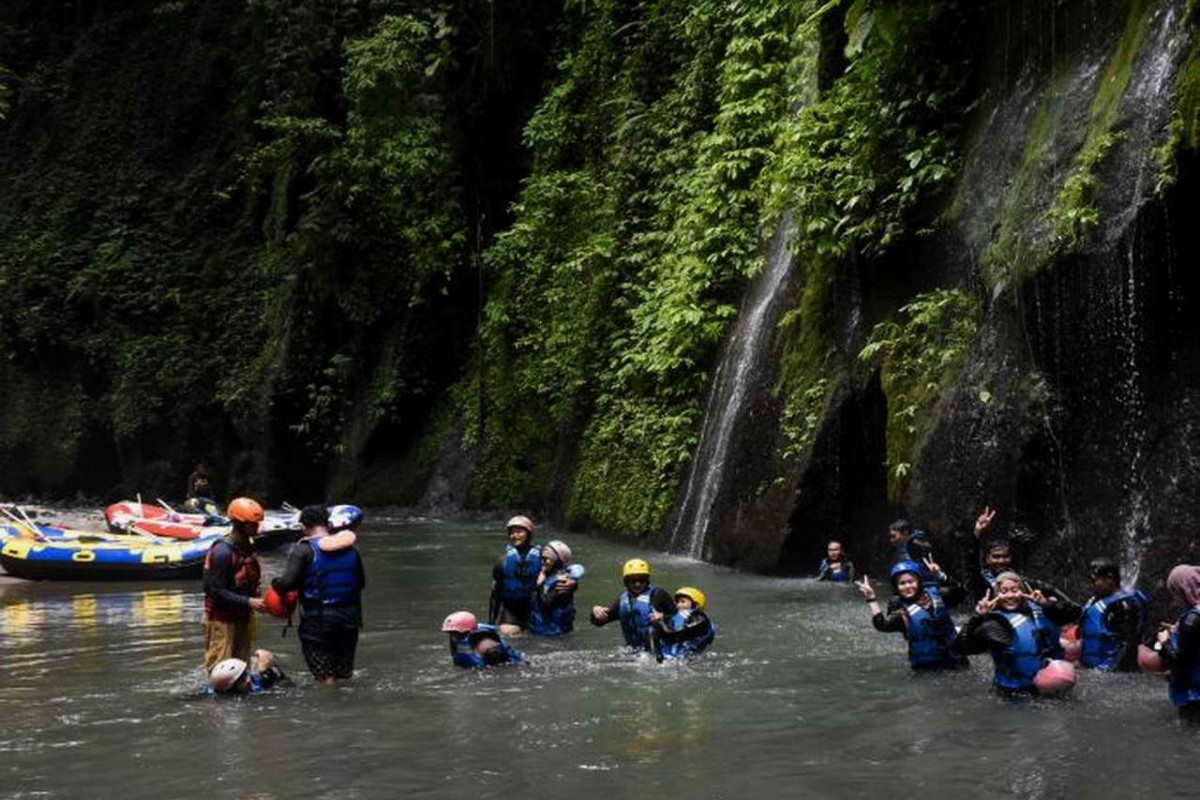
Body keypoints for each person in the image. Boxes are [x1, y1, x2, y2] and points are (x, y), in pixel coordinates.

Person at [270, 504, 366, 685]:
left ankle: (331, 709)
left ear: (304, 527)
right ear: (327, 523)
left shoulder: (303, 550)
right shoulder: (351, 550)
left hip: (319, 620)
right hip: (349, 619)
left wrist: (274, 583)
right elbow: (360, 583)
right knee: (343, 674)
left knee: (324, 676)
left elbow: (287, 583)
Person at [953, 570, 1081, 696]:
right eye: (1004, 592)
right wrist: (978, 617)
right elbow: (960, 648)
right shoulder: (996, 624)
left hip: (1055, 689)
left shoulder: (1045, 612)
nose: (1010, 596)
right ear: (996, 595)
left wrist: (1045, 603)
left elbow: (1076, 613)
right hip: (1016, 695)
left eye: (1015, 590)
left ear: (1023, 591)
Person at [858, 559, 967, 671]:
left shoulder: (936, 595)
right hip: (927, 668)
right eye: (902, 583)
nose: (908, 587)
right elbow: (882, 625)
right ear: (896, 587)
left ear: (919, 581)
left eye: (911, 581)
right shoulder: (902, 611)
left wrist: (940, 575)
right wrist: (871, 599)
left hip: (956, 660)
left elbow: (961, 592)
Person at [202, 496, 266, 671]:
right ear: (238, 524)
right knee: (221, 669)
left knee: (241, 668)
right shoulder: (222, 552)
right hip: (221, 620)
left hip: (242, 616)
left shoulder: (246, 548)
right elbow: (215, 591)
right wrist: (249, 602)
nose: (256, 528)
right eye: (252, 524)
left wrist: (257, 598)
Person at [965, 506, 1072, 604]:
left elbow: (1050, 589)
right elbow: (971, 563)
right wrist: (977, 532)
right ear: (988, 559)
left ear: (1010, 558)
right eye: (996, 557)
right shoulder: (981, 582)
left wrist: (1053, 604)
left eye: (1005, 557)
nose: (1001, 560)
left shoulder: (1022, 581)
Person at [1077, 557, 1148, 671]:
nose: (1090, 585)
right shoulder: (1094, 601)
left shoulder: (1126, 604)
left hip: (1111, 673)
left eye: (1094, 580)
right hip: (1091, 669)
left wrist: (1110, 671)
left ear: (1110, 579)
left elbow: (1129, 645)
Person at [590, 558, 675, 652]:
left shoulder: (658, 595)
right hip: (634, 653)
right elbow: (599, 622)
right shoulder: (622, 601)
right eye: (633, 581)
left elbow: (680, 619)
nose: (637, 584)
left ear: (647, 580)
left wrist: (664, 617)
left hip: (661, 652)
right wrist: (595, 612)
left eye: (641, 580)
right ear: (626, 582)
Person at [1155, 565, 1200, 719]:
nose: (1175, 598)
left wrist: (1164, 641)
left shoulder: (1192, 619)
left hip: (1193, 696)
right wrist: (1177, 629)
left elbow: (1179, 659)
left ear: (1184, 590)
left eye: (1175, 592)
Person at [489, 515, 541, 637]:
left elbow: (559, 573)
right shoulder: (502, 562)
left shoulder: (542, 557)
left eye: (519, 532)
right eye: (512, 533)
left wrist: (572, 583)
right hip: (511, 609)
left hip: (535, 607)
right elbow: (495, 595)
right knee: (507, 634)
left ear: (528, 533)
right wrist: (491, 624)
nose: (515, 535)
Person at [529, 540, 585, 637]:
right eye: (542, 559)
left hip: (554, 632)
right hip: (544, 629)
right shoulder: (548, 574)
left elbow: (546, 602)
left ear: (558, 561)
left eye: (547, 559)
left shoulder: (561, 581)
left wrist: (540, 585)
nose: (543, 562)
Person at [650, 586, 716, 661]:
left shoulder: (701, 620)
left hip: (689, 662)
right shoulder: (674, 617)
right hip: (672, 659)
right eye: (677, 602)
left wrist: (659, 621)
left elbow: (673, 636)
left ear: (696, 605)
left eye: (683, 602)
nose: (678, 605)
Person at [442, 611, 523, 668]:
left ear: (467, 632)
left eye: (455, 633)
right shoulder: (460, 640)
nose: (453, 637)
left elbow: (500, 667)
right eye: (450, 633)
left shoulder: (486, 644)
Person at [208, 649, 290, 695]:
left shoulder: (265, 679)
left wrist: (260, 654)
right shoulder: (263, 683)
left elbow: (265, 656)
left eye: (245, 675)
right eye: (241, 681)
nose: (247, 680)